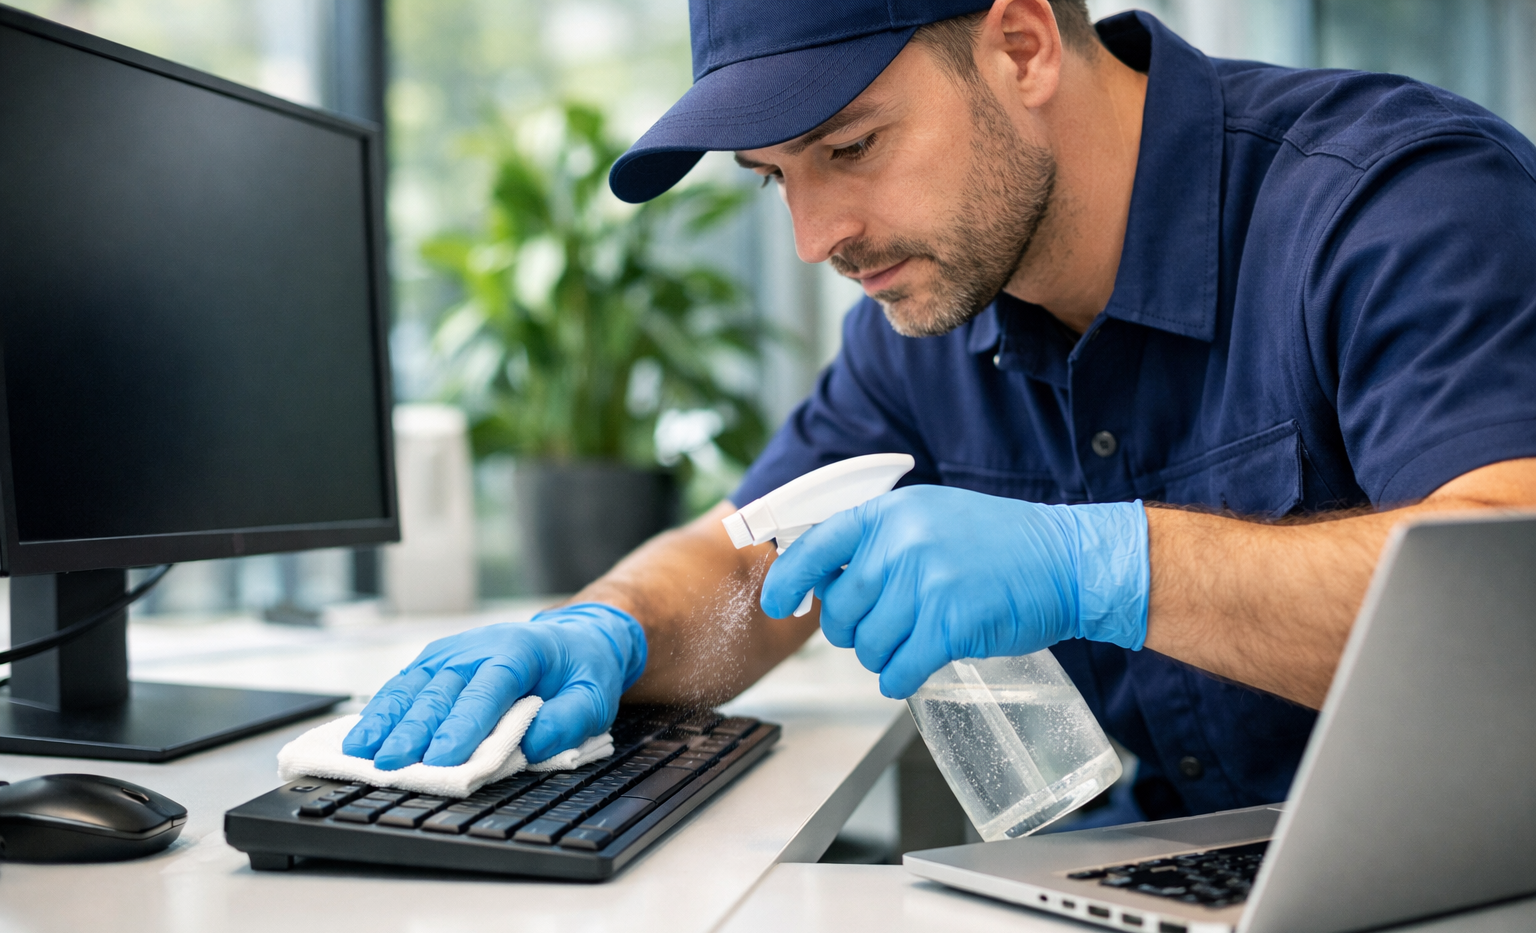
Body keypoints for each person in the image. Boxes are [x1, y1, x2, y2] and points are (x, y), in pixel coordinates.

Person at [344, 0, 1536, 819]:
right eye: (775, 180)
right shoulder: (926, 324)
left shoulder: (1394, 204)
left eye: (851, 147)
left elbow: (1509, 600)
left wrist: (1107, 563)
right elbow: (748, 557)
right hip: (1185, 886)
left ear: (1021, 46)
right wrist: (601, 629)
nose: (816, 238)